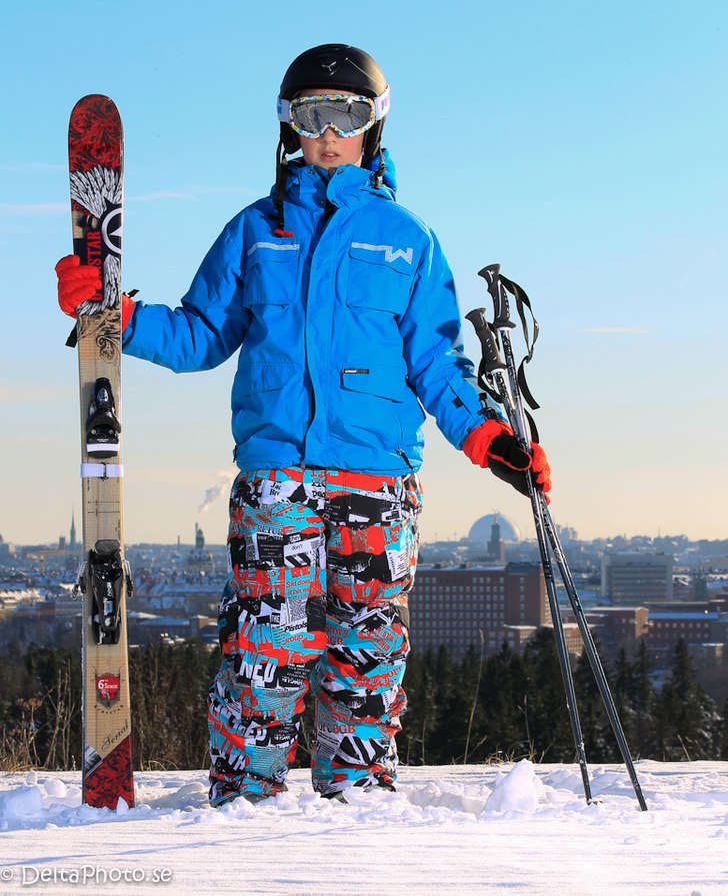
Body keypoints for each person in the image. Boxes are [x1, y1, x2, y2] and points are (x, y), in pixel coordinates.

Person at [56, 43, 551, 806]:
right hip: (278, 483)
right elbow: (198, 333)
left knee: (366, 652)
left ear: (374, 127)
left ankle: (355, 807)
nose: (328, 132)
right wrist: (115, 316)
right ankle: (244, 802)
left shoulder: (408, 239)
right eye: (311, 114)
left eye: (346, 115)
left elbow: (438, 364)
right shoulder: (257, 232)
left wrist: (488, 439)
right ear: (289, 124)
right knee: (266, 648)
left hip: (377, 484)